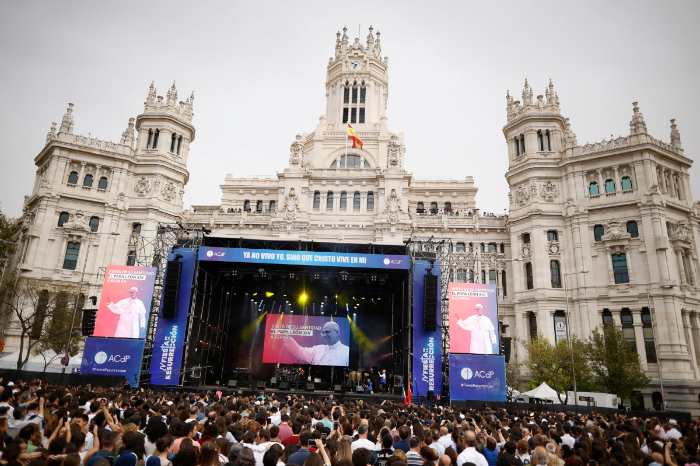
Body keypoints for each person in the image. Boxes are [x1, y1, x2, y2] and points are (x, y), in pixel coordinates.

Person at [283, 322, 349, 366]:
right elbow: (301, 352)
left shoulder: (347, 351)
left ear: (337, 333)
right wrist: (289, 339)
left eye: (327, 332)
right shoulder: (318, 349)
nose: (324, 335)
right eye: (323, 333)